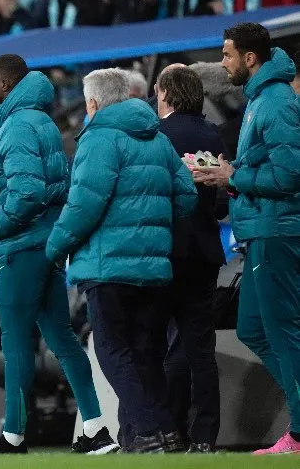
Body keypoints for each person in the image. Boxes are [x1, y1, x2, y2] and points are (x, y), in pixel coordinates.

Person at [46, 68, 198, 454]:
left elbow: (84, 206)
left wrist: (54, 248)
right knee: (146, 355)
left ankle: (149, 431)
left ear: (92, 103)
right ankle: (165, 434)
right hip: (153, 268)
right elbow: (187, 195)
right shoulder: (157, 138)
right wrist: (153, 228)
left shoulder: (99, 138)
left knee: (113, 351)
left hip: (108, 267)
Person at [0, 54, 116, 455]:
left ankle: (13, 436)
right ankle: (96, 428)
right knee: (62, 338)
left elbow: (28, 192)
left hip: (22, 248)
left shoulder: (18, 125)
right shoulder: (41, 121)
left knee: (16, 341)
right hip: (47, 246)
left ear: (5, 85)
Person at [193, 22, 300, 455]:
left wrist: (234, 177)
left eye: (227, 55)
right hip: (260, 229)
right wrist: (226, 171)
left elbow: (291, 175)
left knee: (281, 330)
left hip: (276, 230)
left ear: (249, 58)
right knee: (253, 328)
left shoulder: (275, 102)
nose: (223, 63)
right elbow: (265, 164)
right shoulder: (260, 98)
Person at [156, 66, 227, 453]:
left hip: (164, 254)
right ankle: (204, 436)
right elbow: (218, 199)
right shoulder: (209, 135)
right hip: (203, 254)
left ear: (165, 93)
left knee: (159, 347)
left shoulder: (156, 136)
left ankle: (168, 430)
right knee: (200, 349)